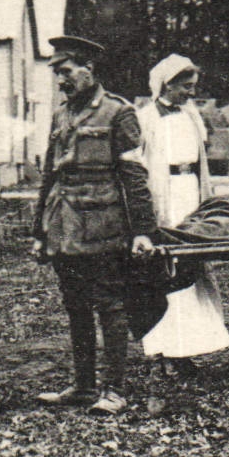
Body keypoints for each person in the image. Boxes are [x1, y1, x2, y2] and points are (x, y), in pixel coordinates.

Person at [30, 36, 158, 416]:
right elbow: (49, 176)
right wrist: (39, 231)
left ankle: (114, 390)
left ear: (89, 69)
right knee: (76, 306)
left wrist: (143, 230)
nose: (61, 81)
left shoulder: (119, 113)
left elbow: (134, 176)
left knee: (110, 306)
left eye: (66, 72)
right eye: (57, 74)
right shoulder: (60, 115)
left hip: (104, 224)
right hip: (63, 226)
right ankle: (83, 386)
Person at [136, 54, 229, 372]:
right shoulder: (145, 117)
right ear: (167, 84)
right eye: (184, 87)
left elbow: (201, 161)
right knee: (167, 271)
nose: (189, 93)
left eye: (193, 87)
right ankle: (165, 350)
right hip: (164, 198)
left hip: (190, 193)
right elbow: (139, 166)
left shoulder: (191, 116)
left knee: (192, 269)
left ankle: (187, 349)